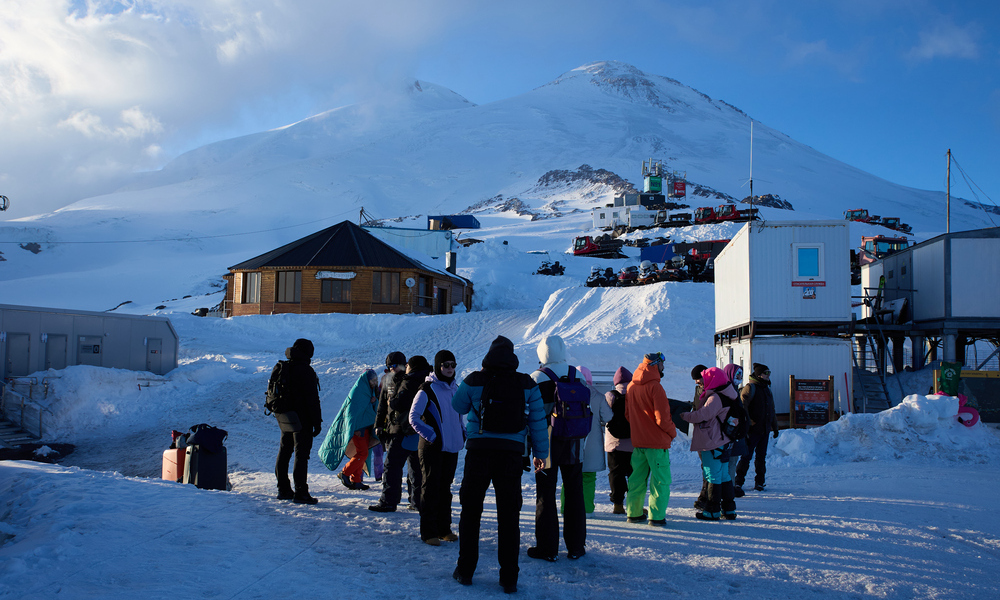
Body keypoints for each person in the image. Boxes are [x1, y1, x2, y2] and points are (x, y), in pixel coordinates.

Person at [451, 335, 548, 595]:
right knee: (509, 517)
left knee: (470, 512)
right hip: (511, 455)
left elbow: (457, 405)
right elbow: (538, 420)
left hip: (479, 452)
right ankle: (508, 579)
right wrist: (541, 453)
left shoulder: (474, 379)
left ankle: (465, 570)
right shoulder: (526, 382)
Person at [529, 335, 587, 561]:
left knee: (546, 494)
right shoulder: (578, 375)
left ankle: (547, 548)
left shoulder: (536, 378)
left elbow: (532, 414)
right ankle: (576, 546)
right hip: (575, 444)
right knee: (574, 493)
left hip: (547, 446)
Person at [409, 350, 464, 546]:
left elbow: (458, 416)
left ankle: (444, 529)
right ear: (438, 367)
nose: (450, 369)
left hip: (451, 447)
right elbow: (413, 417)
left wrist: (462, 432)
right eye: (445, 365)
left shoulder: (455, 388)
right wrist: (432, 435)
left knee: (445, 489)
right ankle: (428, 532)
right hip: (432, 447)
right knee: (431, 488)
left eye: (452, 365)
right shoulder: (427, 389)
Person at [370, 355, 432, 512]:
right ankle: (417, 501)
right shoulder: (389, 380)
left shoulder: (409, 380)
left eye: (395, 365)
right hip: (407, 429)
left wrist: (394, 402)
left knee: (394, 465)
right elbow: (382, 405)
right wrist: (379, 424)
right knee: (415, 466)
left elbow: (398, 403)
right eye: (389, 366)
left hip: (404, 429)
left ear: (406, 365)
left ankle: (390, 501)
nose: (392, 368)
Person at [624, 352, 677, 526]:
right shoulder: (656, 387)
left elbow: (628, 415)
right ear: (656, 365)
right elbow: (662, 418)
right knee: (660, 481)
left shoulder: (631, 385)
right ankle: (656, 516)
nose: (664, 367)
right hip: (657, 443)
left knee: (636, 479)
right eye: (662, 364)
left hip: (639, 442)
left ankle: (634, 513)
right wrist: (672, 432)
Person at [680, 366, 738, 520]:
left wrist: (684, 415)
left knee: (712, 476)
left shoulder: (715, 398)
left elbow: (702, 415)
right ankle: (729, 509)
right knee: (724, 475)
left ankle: (711, 511)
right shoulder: (728, 394)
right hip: (723, 441)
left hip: (712, 442)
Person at [273, 338, 323, 505]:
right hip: (303, 419)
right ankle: (301, 492)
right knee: (301, 456)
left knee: (284, 451)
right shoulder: (306, 370)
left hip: (285, 416)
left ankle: (283, 488)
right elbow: (312, 400)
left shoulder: (285, 367)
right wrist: (317, 422)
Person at [317, 368, 380, 490]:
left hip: (366, 427)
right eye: (372, 380)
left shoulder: (370, 391)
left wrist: (374, 402)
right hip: (358, 429)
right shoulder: (358, 391)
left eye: (375, 380)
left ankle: (356, 480)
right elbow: (352, 412)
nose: (374, 382)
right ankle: (345, 473)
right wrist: (353, 427)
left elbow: (370, 409)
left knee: (362, 453)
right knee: (363, 453)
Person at [563, 365, 613, 515]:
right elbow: (609, 417)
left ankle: (566, 508)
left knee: (569, 477)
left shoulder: (567, 393)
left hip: (571, 441)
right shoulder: (597, 396)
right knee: (589, 478)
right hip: (592, 442)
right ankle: (587, 510)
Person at [735, 363, 779, 493]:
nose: (768, 375)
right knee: (746, 457)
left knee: (761, 458)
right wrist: (747, 425)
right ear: (759, 374)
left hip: (764, 430)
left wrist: (775, 427)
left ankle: (760, 482)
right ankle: (738, 482)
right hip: (752, 430)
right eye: (766, 373)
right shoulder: (750, 387)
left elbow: (772, 410)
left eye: (769, 373)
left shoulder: (767, 389)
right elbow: (743, 406)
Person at [604, 366, 633, 515]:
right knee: (634, 475)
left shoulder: (610, 395)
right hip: (634, 443)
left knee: (616, 474)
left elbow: (604, 416)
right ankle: (635, 504)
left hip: (614, 443)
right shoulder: (636, 394)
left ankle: (618, 504)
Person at [722, 363, 747, 498]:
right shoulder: (727, 390)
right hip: (730, 433)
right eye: (737, 374)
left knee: (732, 461)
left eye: (740, 375)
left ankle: (729, 488)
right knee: (729, 463)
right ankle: (728, 489)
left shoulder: (735, 389)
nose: (739, 377)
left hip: (736, 433)